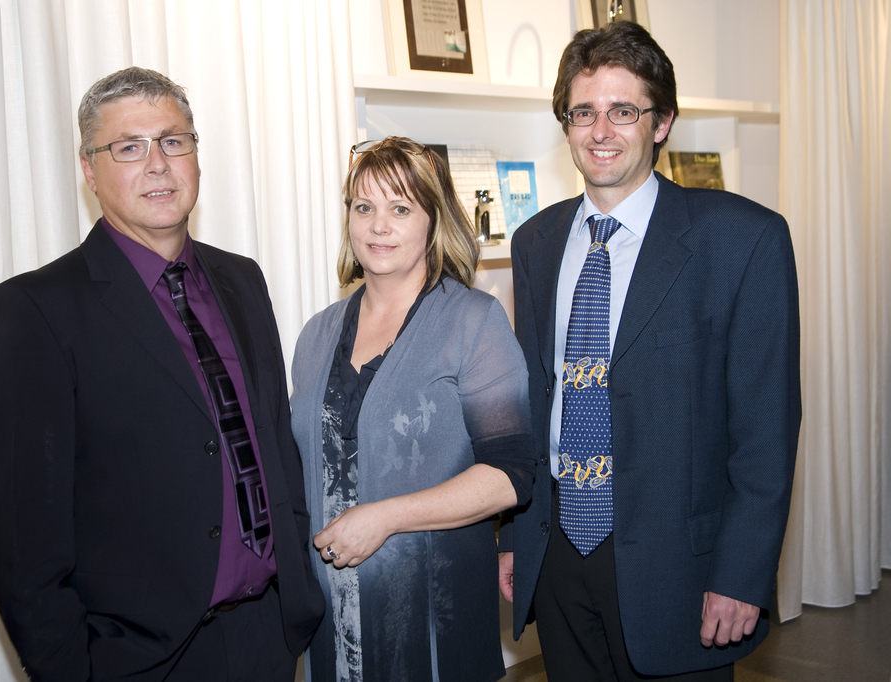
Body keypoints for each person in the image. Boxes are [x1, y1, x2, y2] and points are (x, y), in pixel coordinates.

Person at [0, 66, 323, 682]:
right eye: (129, 148)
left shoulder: (242, 279)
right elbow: (20, 535)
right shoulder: (36, 310)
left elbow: (272, 443)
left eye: (173, 141)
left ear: (196, 156)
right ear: (90, 170)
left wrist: (294, 592)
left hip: (267, 636)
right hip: (137, 659)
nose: (158, 164)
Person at [498, 22, 801, 682]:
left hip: (680, 571)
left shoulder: (742, 240)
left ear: (662, 123)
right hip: (558, 553)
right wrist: (516, 535)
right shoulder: (535, 242)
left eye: (623, 111)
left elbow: (766, 431)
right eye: (583, 112)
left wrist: (741, 574)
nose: (600, 130)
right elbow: (532, 403)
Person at [290, 136, 536, 682]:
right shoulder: (315, 335)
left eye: (400, 209)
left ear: (433, 220)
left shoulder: (474, 321)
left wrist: (385, 518)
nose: (379, 226)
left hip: (432, 617)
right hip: (332, 625)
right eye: (364, 207)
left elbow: (510, 475)